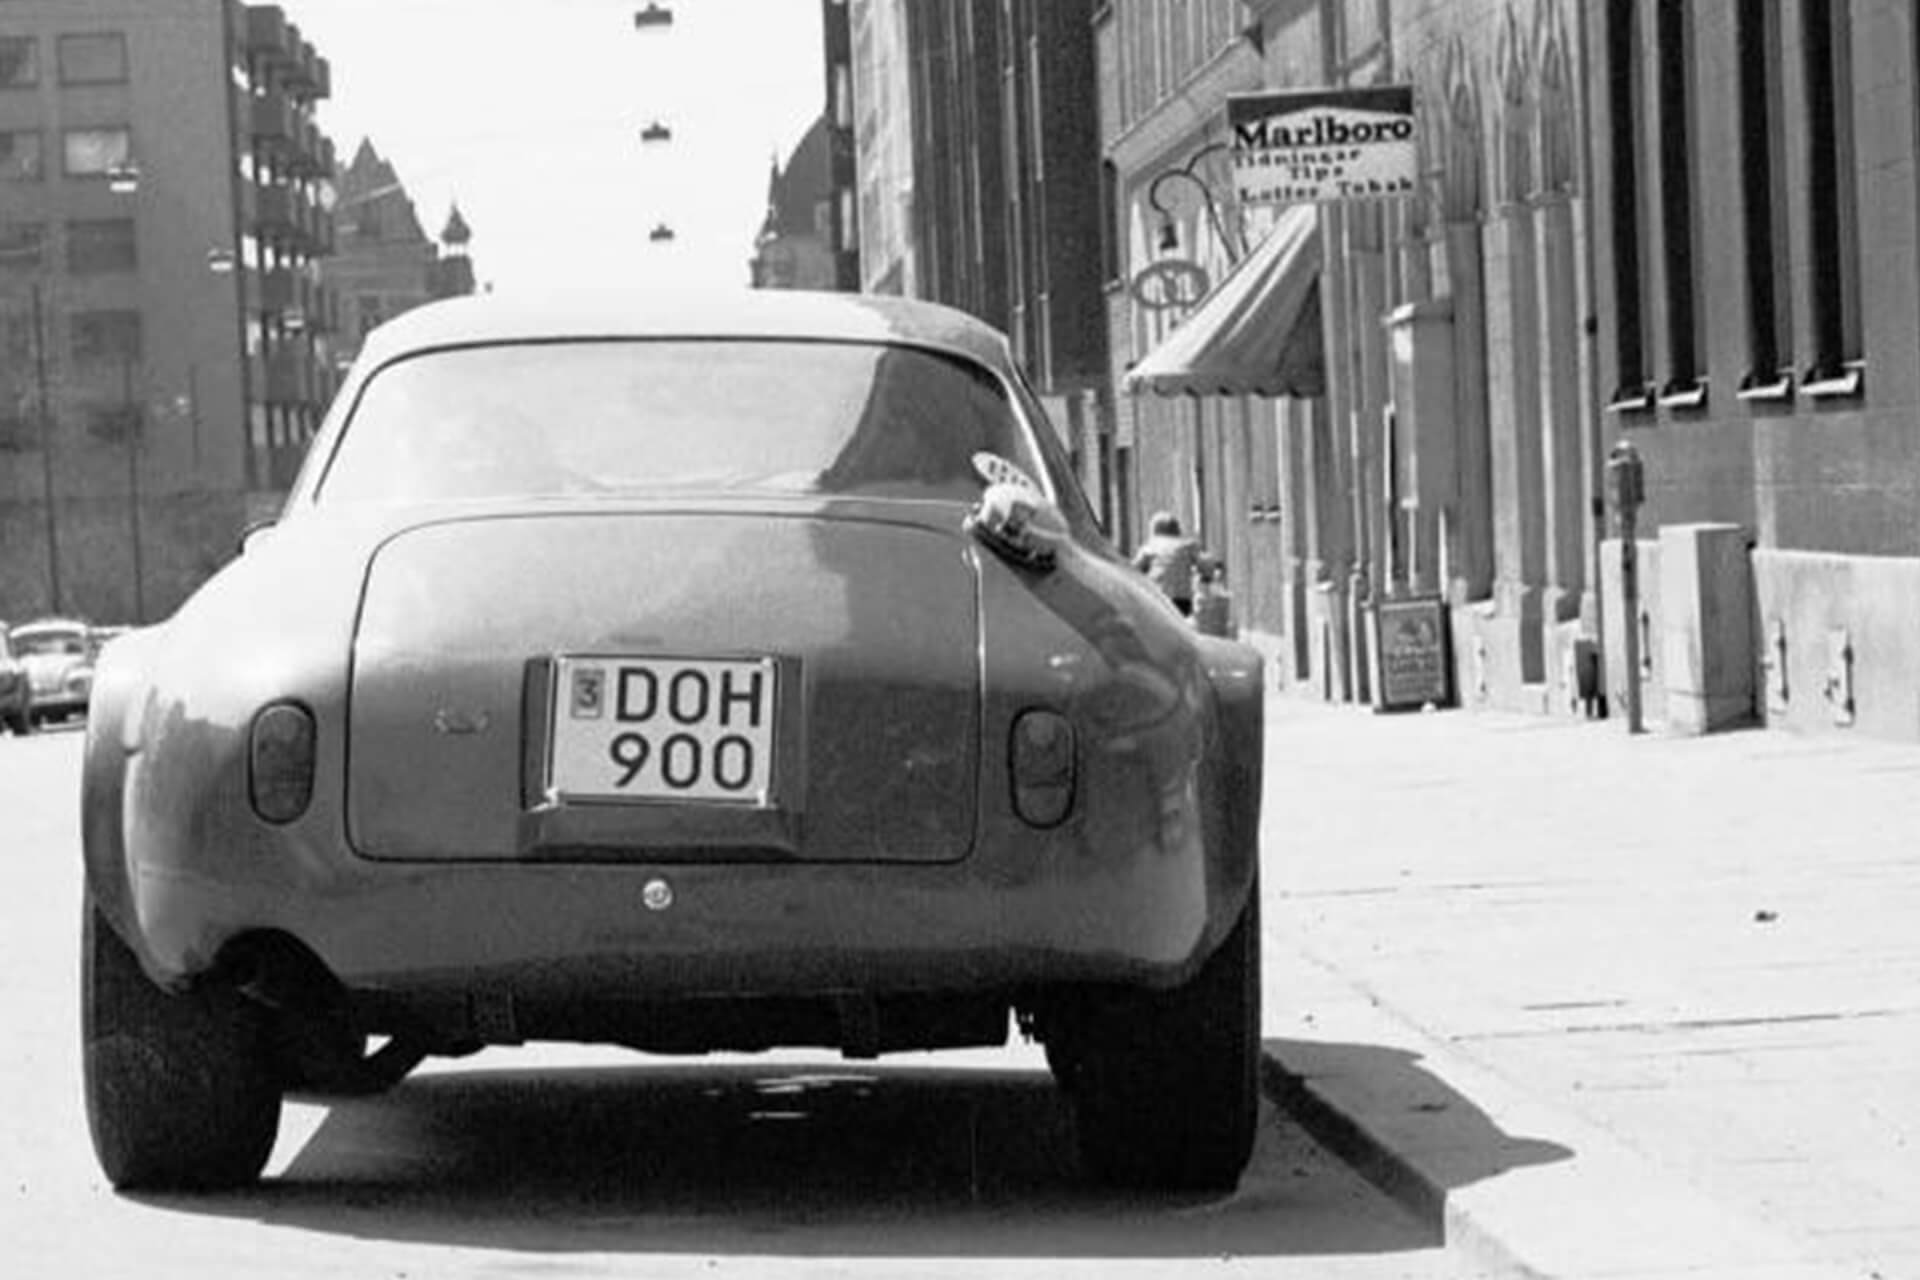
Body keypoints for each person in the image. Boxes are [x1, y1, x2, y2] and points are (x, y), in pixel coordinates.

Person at [1131, 510, 1216, 616]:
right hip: (1182, 599)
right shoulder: (1187, 546)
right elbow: (1206, 562)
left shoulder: (1151, 546)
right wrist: (1206, 578)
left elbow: (1134, 570)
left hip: (1158, 597)